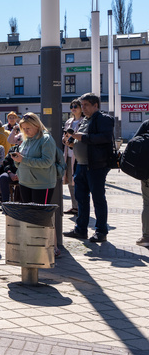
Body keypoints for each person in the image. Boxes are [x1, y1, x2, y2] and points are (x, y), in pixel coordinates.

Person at [64, 92, 115, 243]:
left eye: (86, 105)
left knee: (98, 198)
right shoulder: (85, 120)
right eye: (82, 105)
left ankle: (101, 231)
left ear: (95, 105)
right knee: (81, 198)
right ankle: (80, 229)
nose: (83, 108)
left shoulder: (104, 119)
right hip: (81, 164)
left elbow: (105, 138)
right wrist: (73, 143)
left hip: (96, 166)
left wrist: (82, 138)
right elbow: (83, 139)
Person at [12, 112, 58, 204]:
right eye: (23, 129)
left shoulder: (46, 139)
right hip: (24, 182)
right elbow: (21, 161)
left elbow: (47, 162)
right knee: (29, 216)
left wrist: (23, 160)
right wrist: (17, 161)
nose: (25, 131)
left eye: (28, 128)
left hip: (41, 184)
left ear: (37, 126)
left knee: (40, 216)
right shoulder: (26, 140)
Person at [62, 100, 83, 214]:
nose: (73, 108)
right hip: (69, 155)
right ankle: (74, 206)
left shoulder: (84, 121)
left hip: (79, 156)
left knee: (78, 182)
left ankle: (81, 206)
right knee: (70, 181)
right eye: (71, 106)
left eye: (76, 106)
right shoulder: (69, 121)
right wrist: (65, 139)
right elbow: (64, 136)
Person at [135, 118, 149, 247]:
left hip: (147, 171)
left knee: (148, 204)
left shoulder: (147, 124)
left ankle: (146, 237)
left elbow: (135, 143)